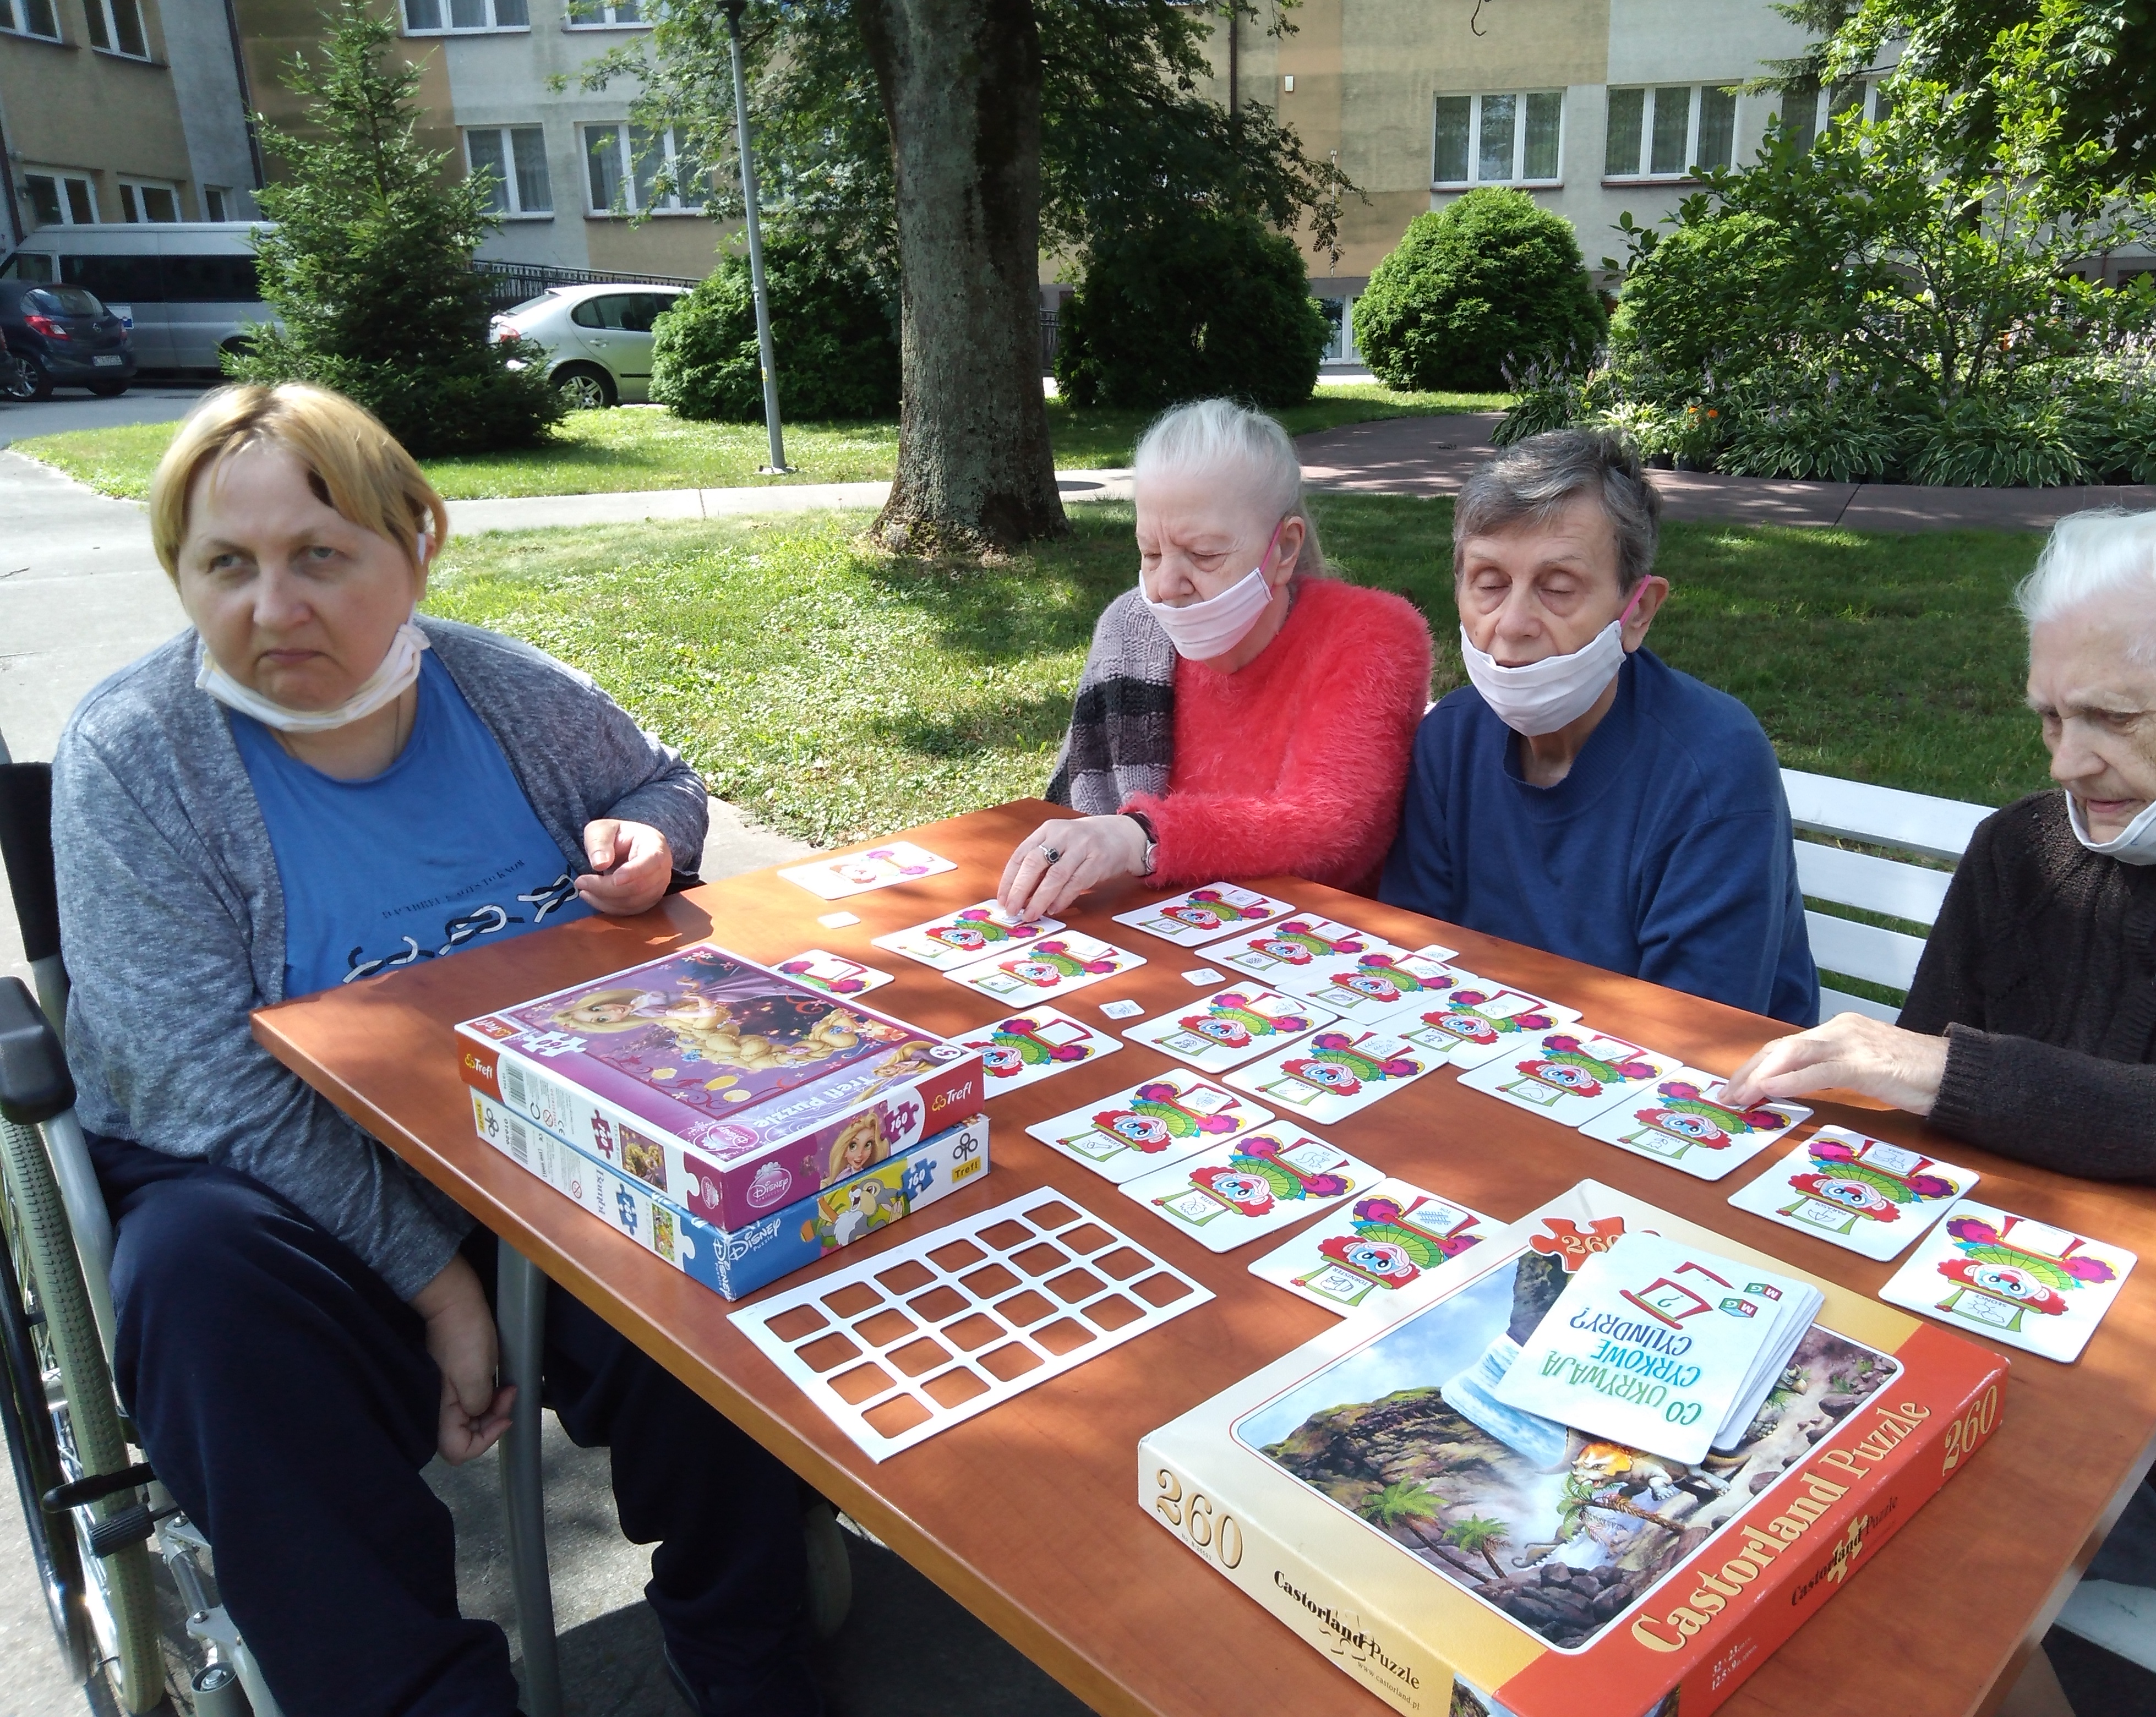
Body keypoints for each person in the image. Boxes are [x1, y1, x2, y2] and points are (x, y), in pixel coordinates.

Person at [52, 383, 820, 1717]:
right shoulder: (137, 755)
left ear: (419, 545)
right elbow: (197, 1079)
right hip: (283, 1193)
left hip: (533, 1143)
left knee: (722, 1209)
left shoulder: (500, 688)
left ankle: (749, 1645)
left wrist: (650, 842)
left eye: (321, 555)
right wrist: (439, 1285)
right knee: (196, 1287)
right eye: (226, 562)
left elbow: (660, 775)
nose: (273, 606)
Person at [1723, 508, 2156, 1587]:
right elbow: (1916, 1146)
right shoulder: (2018, 855)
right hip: (1982, 1336)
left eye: (2114, 718)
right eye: (2046, 718)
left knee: (1849, 1547)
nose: (2070, 761)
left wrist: (1961, 1074)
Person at [1379, 430, 1820, 1025]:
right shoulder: (1449, 740)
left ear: (1635, 612)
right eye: (1487, 583)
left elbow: (1696, 1031)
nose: (1510, 625)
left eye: (1557, 589)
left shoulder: (1713, 766)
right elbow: (1410, 961)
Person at [998, 397, 1432, 918]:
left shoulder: (1372, 634)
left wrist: (1144, 837)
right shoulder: (1130, 631)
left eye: (1203, 556)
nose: (1163, 588)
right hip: (1146, 936)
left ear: (1284, 549)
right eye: (1151, 553)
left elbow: (1335, 832)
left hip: (1308, 953)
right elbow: (1079, 811)